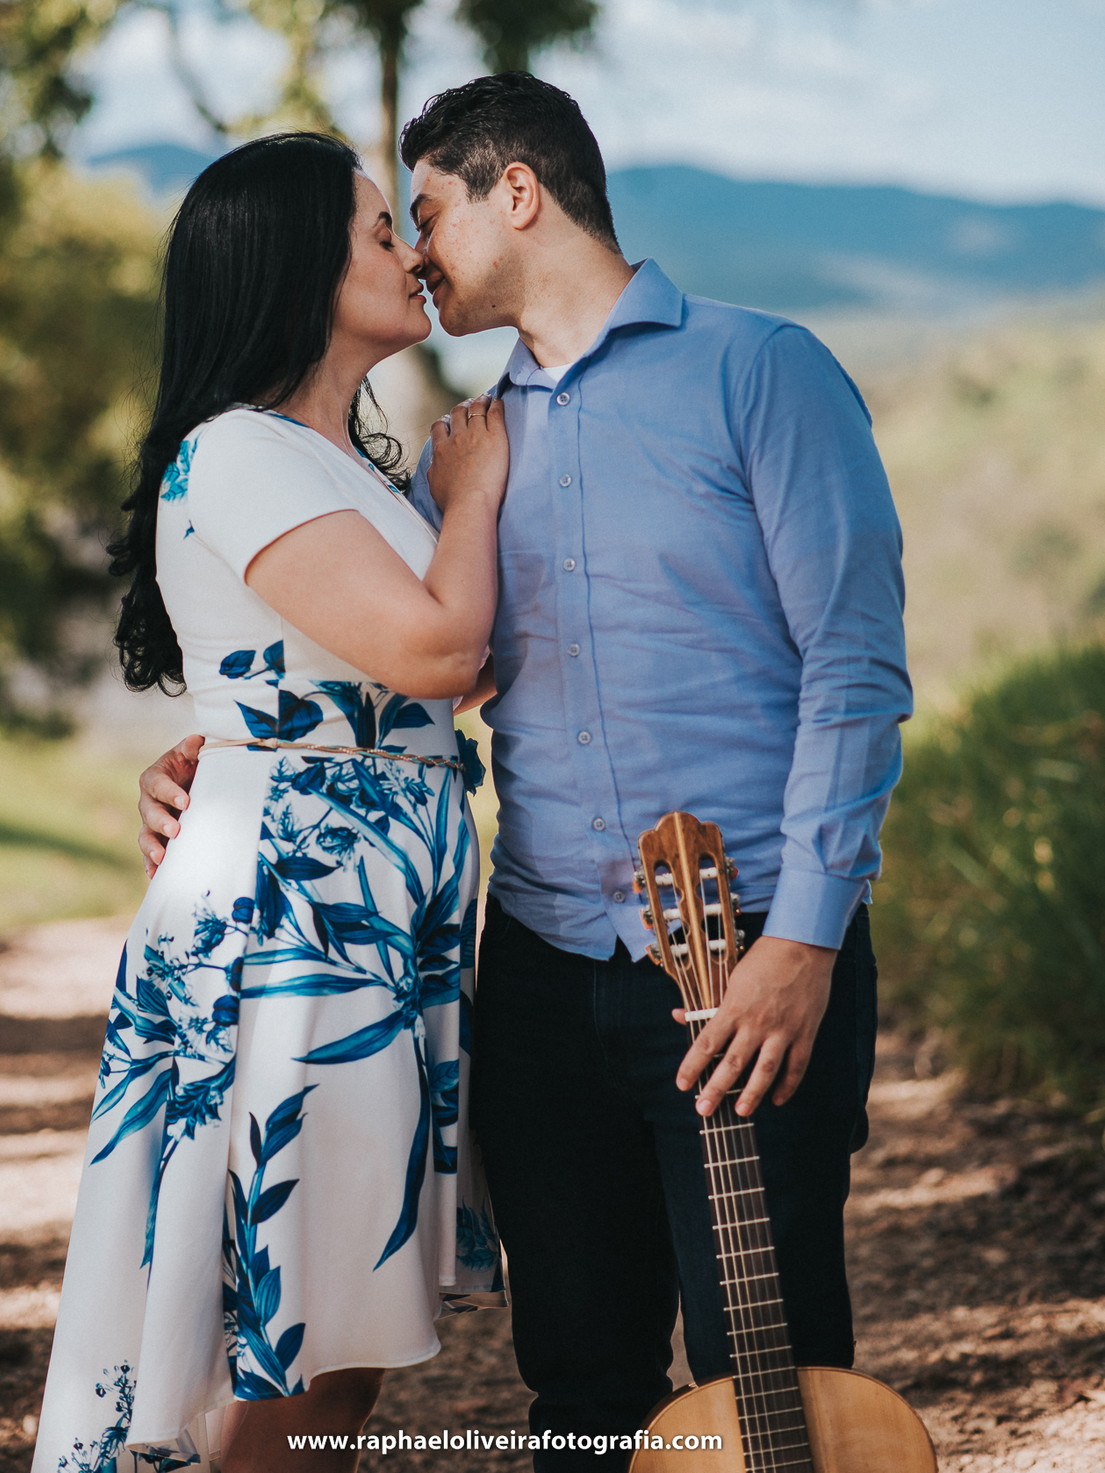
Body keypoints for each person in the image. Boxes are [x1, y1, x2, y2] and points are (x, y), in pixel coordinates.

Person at [139, 75, 912, 1471]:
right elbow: (373, 670)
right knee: (580, 1385)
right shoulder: (465, 457)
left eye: (426, 213)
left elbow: (854, 670)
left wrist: (805, 941)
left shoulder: (761, 370)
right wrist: (210, 765)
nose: (417, 252)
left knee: (772, 1374)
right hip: (543, 974)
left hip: (747, 952)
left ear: (518, 192)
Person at [33, 133, 507, 1473]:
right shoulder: (240, 451)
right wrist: (475, 495)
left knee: (348, 1322)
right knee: (298, 1317)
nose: (412, 253)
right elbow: (440, 654)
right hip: (297, 916)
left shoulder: (347, 465)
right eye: (378, 231)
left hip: (367, 909)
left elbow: (367, 674)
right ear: (297, 268)